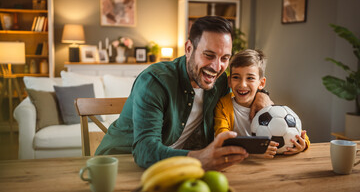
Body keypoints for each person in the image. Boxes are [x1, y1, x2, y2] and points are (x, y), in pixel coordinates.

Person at [95, 16, 273, 170]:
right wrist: (199, 158)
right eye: (209, 55)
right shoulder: (154, 81)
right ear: (189, 49)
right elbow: (144, 150)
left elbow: (241, 98)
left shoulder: (219, 84)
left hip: (176, 167)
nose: (217, 67)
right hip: (119, 163)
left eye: (224, 58)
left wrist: (262, 93)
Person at [214, 49, 310, 158]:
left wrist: (303, 144)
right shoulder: (223, 106)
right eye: (236, 77)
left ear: (261, 83)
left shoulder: (268, 109)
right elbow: (223, 138)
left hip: (266, 164)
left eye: (250, 78)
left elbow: (295, 132)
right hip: (236, 162)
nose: (242, 84)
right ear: (229, 81)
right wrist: (256, 150)